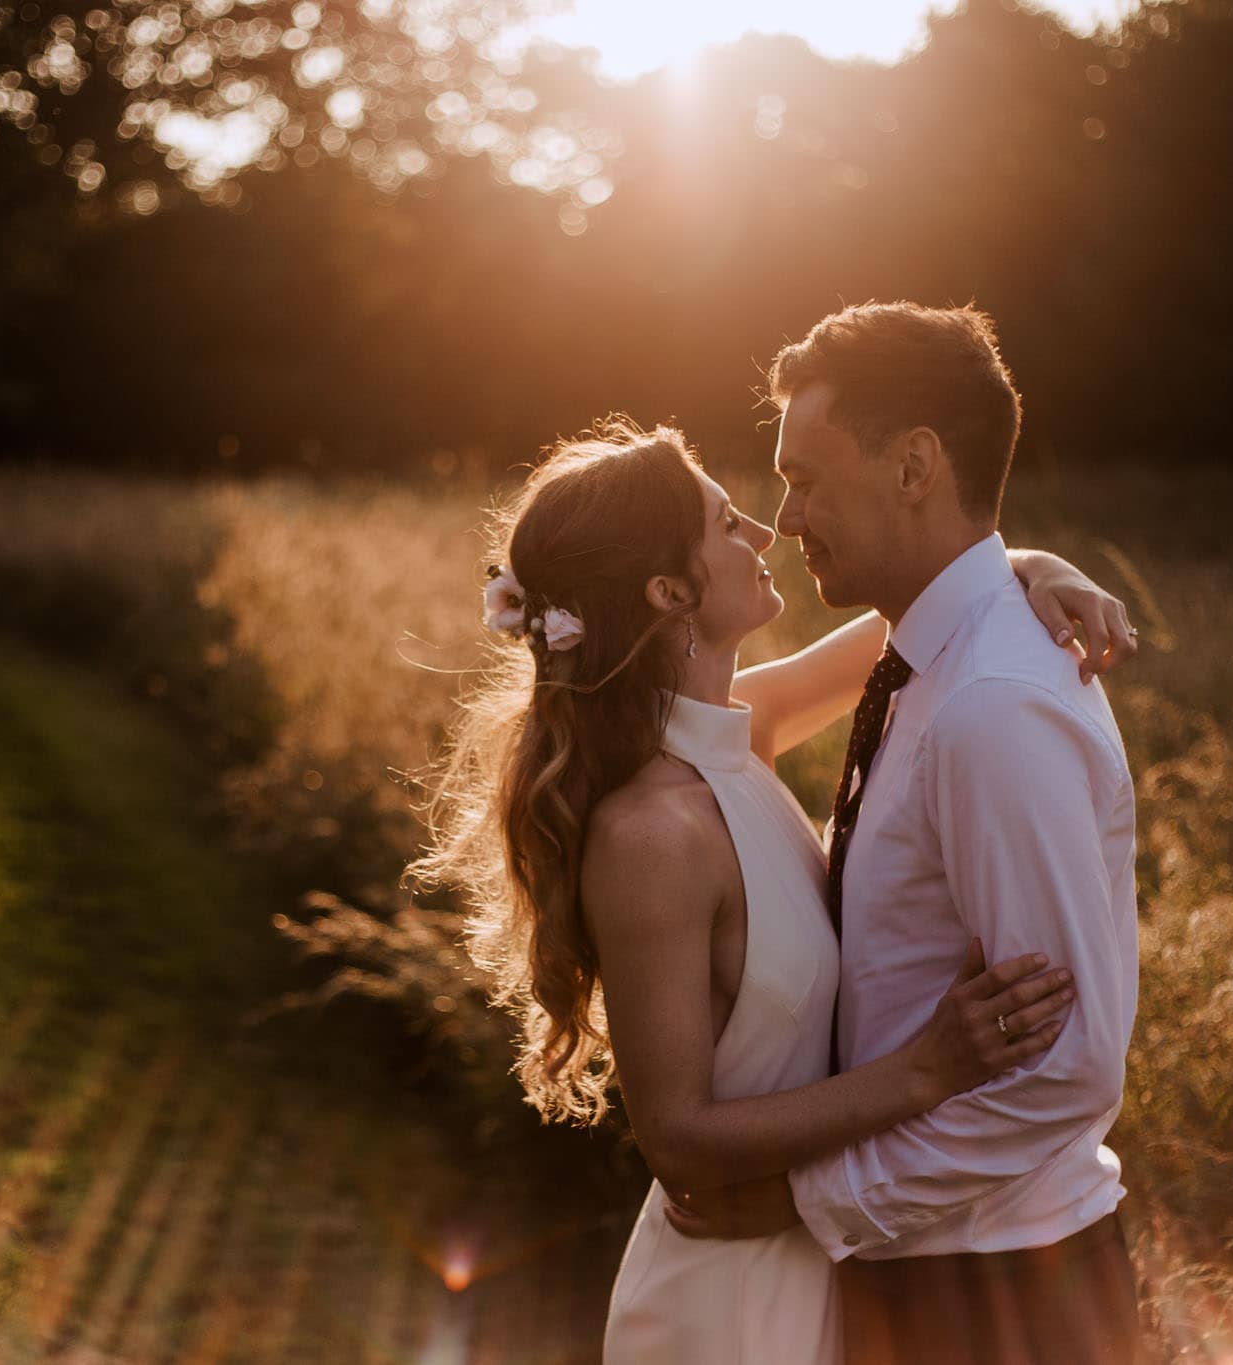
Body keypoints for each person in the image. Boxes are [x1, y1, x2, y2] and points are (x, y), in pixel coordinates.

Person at [411, 410, 1135, 1363]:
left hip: (825, 1260)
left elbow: (937, 605)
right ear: (670, 590)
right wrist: (924, 1069)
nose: (766, 531)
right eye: (725, 523)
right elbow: (675, 1138)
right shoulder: (651, 834)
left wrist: (1033, 565)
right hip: (733, 1295)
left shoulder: (740, 731)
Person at [666, 302, 1143, 1364]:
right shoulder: (919, 659)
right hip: (920, 1276)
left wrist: (811, 1200)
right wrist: (1021, 562)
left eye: (804, 477)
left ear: (914, 465)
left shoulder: (991, 704)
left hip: (1002, 1294)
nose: (783, 520)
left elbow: (1066, 1064)